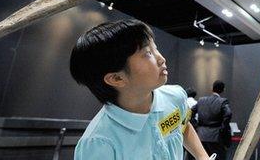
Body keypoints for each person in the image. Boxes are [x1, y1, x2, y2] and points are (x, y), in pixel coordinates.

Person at [69, 19, 211, 160]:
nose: (161, 59)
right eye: (148, 53)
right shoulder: (99, 143)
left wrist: (202, 157)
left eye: (155, 48)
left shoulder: (175, 97)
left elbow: (183, 125)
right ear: (116, 78)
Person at [192, 80, 232, 160]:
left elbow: (190, 112)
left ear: (212, 88)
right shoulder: (223, 101)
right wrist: (222, 129)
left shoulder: (201, 100)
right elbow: (228, 113)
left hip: (201, 136)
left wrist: (196, 126)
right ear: (223, 90)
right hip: (216, 137)